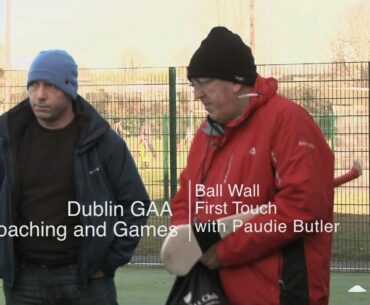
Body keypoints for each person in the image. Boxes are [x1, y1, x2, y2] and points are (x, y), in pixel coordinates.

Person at [170, 27, 334, 305]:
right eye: (193, 84)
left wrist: (222, 250)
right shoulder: (206, 134)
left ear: (237, 81)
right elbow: (187, 195)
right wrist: (183, 238)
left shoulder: (289, 122)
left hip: (278, 293)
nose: (197, 94)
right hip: (215, 290)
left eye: (205, 83)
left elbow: (300, 207)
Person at [0, 49, 150, 305]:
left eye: (50, 86)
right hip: (25, 281)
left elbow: (135, 204)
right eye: (33, 85)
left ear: (69, 89)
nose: (39, 95)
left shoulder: (103, 142)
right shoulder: (9, 138)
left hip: (86, 281)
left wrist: (109, 261)